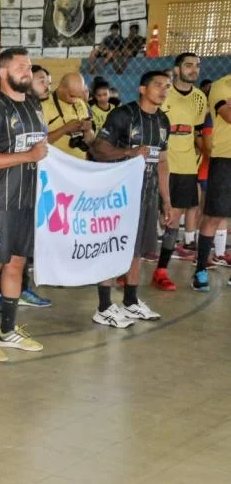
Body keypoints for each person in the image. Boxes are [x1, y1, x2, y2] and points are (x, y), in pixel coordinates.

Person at [0, 47, 48, 362]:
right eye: (20, 66)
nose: (27, 71)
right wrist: (27, 156)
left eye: (29, 66)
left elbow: (40, 148)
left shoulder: (32, 105)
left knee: (17, 264)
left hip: (27, 200)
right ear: (3, 72)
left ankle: (8, 329)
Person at [87, 71, 171, 326]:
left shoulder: (163, 121)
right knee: (113, 246)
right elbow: (98, 149)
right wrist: (130, 152)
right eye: (158, 85)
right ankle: (103, 306)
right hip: (119, 194)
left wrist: (165, 200)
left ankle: (131, 301)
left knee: (136, 250)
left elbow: (163, 162)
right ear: (142, 88)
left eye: (167, 86)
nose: (163, 90)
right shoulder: (123, 115)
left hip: (147, 194)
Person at [153, 53, 211, 290]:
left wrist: (207, 156)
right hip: (161, 164)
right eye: (188, 65)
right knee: (155, 218)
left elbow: (198, 133)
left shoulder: (199, 98)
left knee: (175, 218)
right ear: (177, 70)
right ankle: (129, 267)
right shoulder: (164, 92)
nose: (193, 70)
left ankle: (161, 269)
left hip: (187, 166)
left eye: (197, 66)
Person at [193, 71, 231, 291]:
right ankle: (200, 270)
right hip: (225, 158)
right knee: (213, 217)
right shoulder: (221, 86)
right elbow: (228, 115)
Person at [43, 72, 95, 160]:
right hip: (56, 164)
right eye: (72, 96)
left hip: (80, 162)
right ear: (61, 88)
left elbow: (90, 140)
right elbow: (38, 143)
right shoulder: (45, 106)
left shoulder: (80, 102)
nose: (75, 100)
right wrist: (65, 129)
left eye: (78, 96)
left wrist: (88, 130)